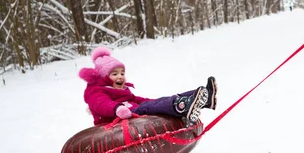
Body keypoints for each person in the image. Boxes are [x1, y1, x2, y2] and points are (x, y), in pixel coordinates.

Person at [78, 47, 217, 126]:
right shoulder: (95, 90)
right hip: (114, 121)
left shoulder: (122, 89)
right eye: (114, 74)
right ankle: (181, 106)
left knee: (157, 102)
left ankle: (201, 96)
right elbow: (102, 104)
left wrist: (154, 101)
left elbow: (135, 99)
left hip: (131, 112)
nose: (120, 76)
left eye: (122, 73)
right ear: (104, 77)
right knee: (146, 108)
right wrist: (117, 108)